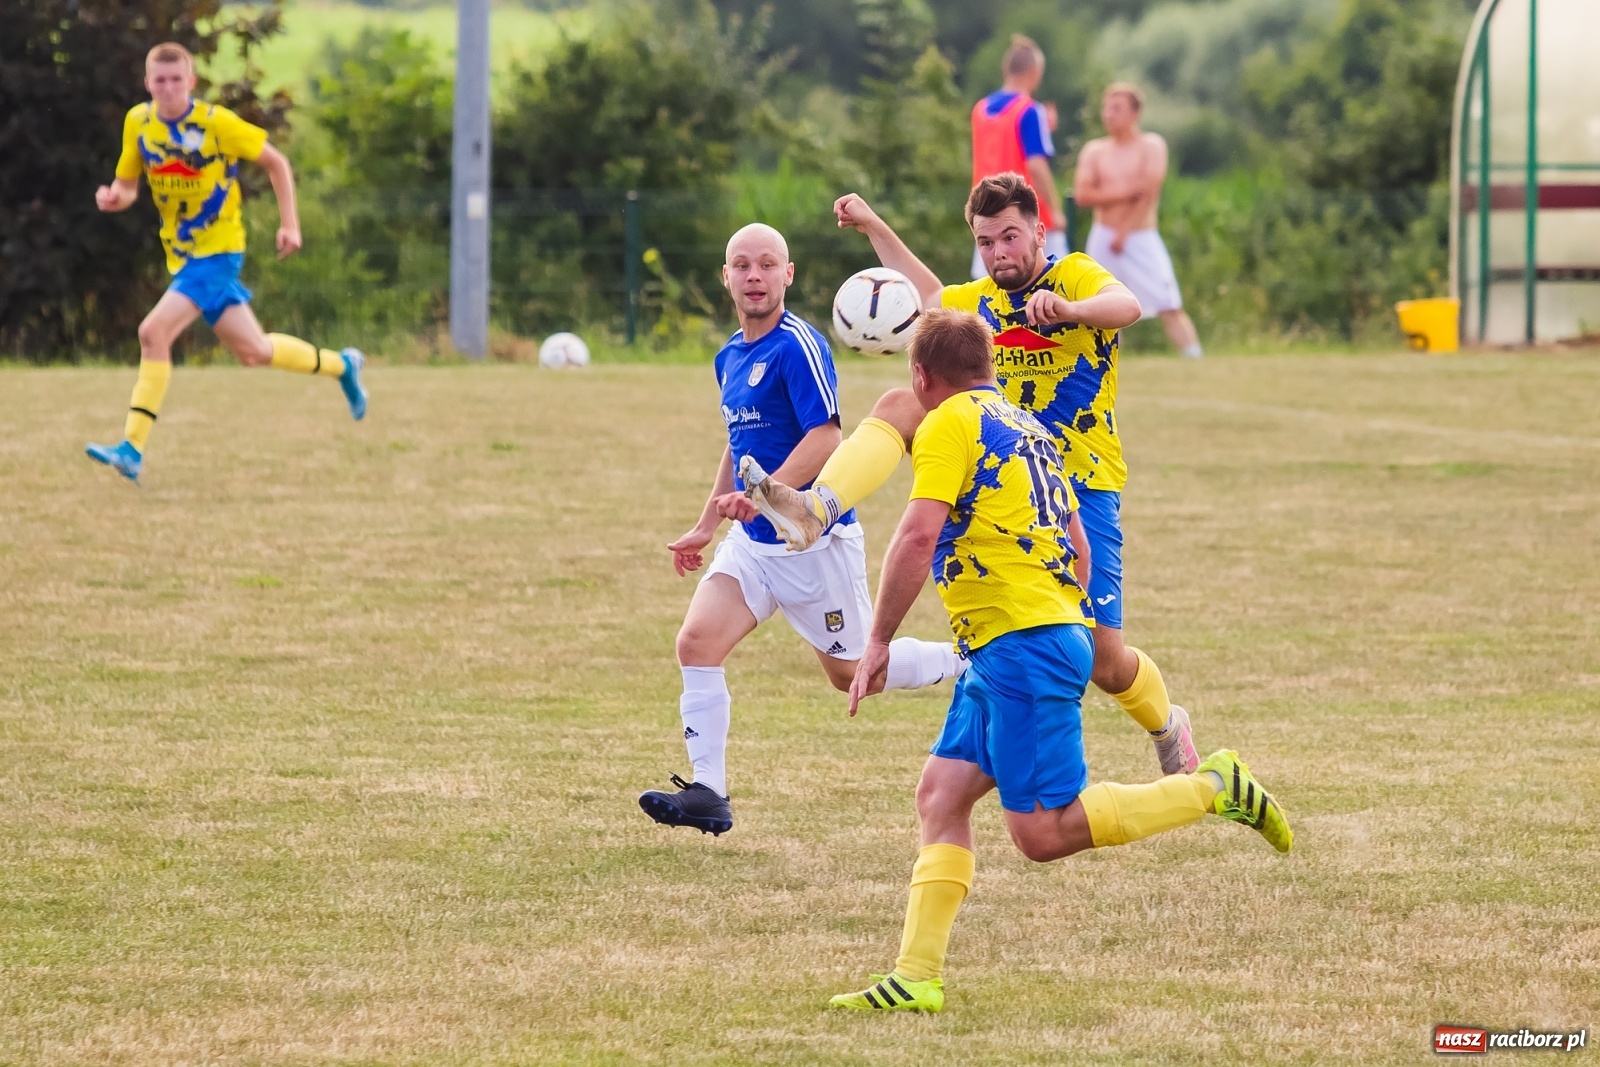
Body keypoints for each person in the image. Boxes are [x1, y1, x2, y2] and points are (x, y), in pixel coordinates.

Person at [825, 308, 1291, 1013]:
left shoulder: (949, 422)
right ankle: (917, 976)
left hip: (1023, 645)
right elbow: (1077, 538)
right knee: (941, 796)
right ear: (988, 368)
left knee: (1042, 832)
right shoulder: (1028, 426)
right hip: (1013, 642)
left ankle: (1215, 785)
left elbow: (918, 535)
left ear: (921, 377)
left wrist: (881, 637)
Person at [736, 174, 1198, 778]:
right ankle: (814, 507)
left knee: (1104, 661)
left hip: (1077, 485)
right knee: (899, 403)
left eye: (1010, 237)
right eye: (986, 241)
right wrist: (875, 226)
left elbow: (1128, 306)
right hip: (999, 479)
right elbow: (924, 292)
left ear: (1037, 230)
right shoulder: (977, 299)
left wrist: (1070, 309)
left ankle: (1168, 724)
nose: (999, 252)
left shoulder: (1075, 274)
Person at [637, 224, 966, 837]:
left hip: (813, 541)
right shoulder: (729, 354)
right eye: (742, 265)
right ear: (726, 276)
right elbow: (737, 447)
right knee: (696, 644)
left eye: (767, 265)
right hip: (755, 546)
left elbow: (827, 436)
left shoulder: (798, 346)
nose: (754, 275)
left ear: (787, 276)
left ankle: (971, 662)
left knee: (850, 673)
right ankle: (709, 790)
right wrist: (708, 522)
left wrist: (765, 496)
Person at [87, 42, 366, 484]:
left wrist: (290, 224)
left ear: (191, 82)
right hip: (182, 253)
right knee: (254, 352)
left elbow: (277, 163)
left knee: (152, 332)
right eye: (160, 80)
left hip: (219, 251)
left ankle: (132, 448)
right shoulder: (138, 123)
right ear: (147, 85)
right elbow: (127, 186)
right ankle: (343, 366)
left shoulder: (216, 123)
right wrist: (113, 198)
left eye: (177, 79)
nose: (169, 88)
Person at [1074, 83, 1203, 358]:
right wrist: (1125, 191)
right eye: (1106, 108)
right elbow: (1083, 194)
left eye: (1116, 108)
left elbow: (1148, 190)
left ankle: (1193, 355)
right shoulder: (1094, 151)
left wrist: (1124, 230)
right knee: (1100, 302)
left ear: (1135, 113)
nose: (1109, 114)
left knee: (1168, 302)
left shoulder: (1151, 146)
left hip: (1141, 236)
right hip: (1102, 235)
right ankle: (1104, 361)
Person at [968, 34, 1066, 280]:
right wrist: (1055, 210)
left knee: (991, 291)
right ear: (1034, 71)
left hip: (987, 210)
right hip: (1026, 212)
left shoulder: (980, 109)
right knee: (1056, 284)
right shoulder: (1030, 110)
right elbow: (1036, 164)